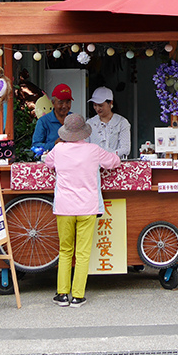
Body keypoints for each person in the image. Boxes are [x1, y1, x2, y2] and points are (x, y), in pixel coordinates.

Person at [42, 113, 120, 308]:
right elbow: (114, 162)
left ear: (66, 133)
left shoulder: (58, 150)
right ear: (84, 132)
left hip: (64, 208)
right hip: (87, 207)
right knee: (83, 253)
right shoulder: (94, 150)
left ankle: (62, 294)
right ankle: (77, 296)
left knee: (65, 250)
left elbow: (47, 162)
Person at [86, 86, 131, 158]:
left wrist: (108, 155)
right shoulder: (89, 123)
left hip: (115, 165)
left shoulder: (121, 122)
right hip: (94, 165)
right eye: (94, 105)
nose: (97, 108)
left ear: (110, 103)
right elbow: (85, 146)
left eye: (100, 105)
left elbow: (125, 149)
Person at [31, 84, 73, 151]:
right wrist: (54, 144)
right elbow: (35, 146)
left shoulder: (74, 119)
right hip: (51, 160)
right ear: (53, 103)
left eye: (68, 102)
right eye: (61, 102)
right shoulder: (43, 121)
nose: (64, 106)